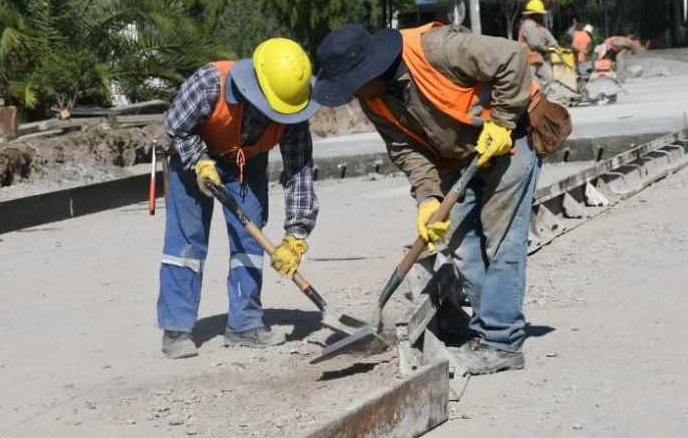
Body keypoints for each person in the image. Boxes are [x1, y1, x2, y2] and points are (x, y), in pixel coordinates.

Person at [314, 22, 541, 375]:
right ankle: (485, 331)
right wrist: (427, 199)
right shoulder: (373, 96)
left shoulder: (437, 49)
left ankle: (502, 342)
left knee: (501, 244)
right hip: (454, 159)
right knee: (465, 248)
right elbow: (405, 149)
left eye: (353, 86)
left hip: (508, 144)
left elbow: (512, 57)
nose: (354, 95)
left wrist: (502, 120)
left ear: (370, 68)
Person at [158, 38, 320, 359]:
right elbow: (175, 126)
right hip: (195, 156)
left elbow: (299, 171)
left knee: (249, 238)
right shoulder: (208, 84)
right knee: (187, 242)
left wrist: (296, 235)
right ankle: (176, 328)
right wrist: (200, 162)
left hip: (246, 162)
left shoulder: (293, 109)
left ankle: (244, 323)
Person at [517, 0, 559, 92]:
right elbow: (534, 44)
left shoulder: (539, 26)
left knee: (548, 77)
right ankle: (532, 101)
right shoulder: (528, 25)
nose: (541, 16)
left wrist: (555, 46)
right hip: (527, 58)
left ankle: (540, 98)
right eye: (539, 14)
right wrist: (548, 48)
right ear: (534, 14)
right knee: (530, 83)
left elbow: (550, 39)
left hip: (537, 58)